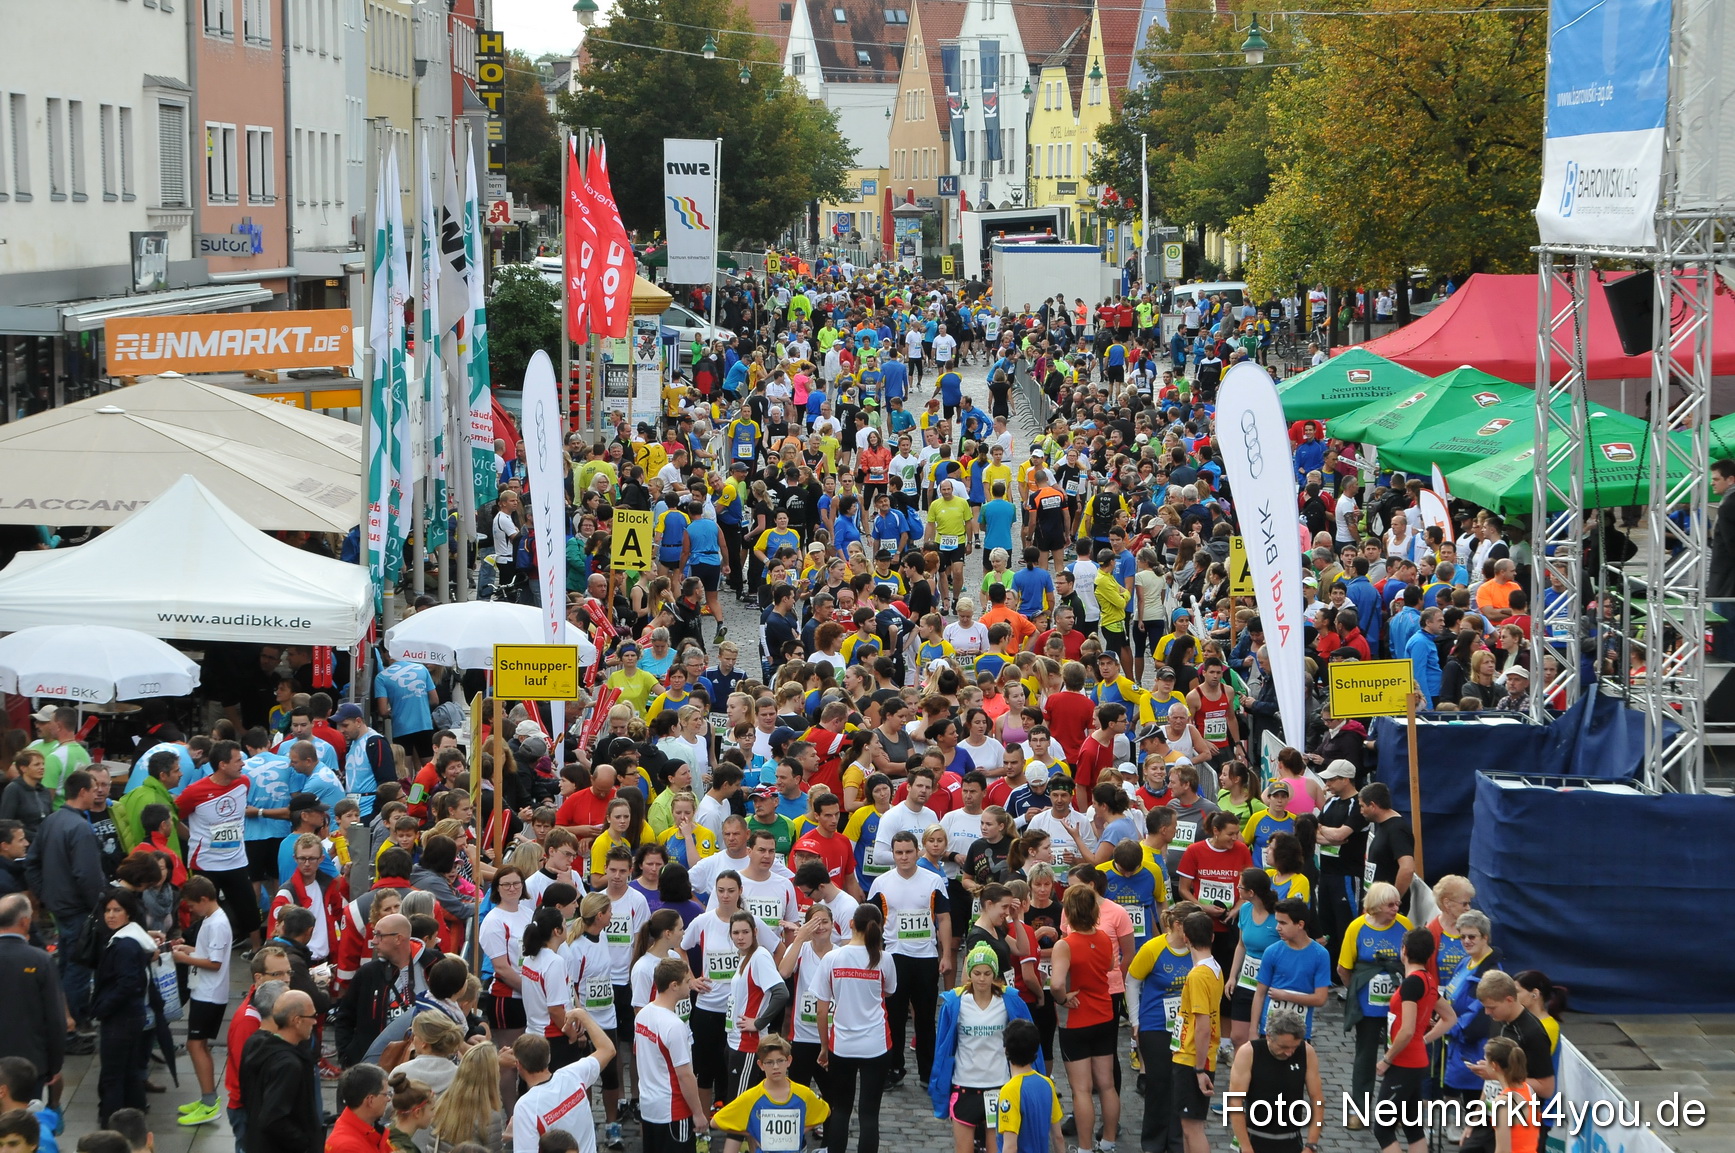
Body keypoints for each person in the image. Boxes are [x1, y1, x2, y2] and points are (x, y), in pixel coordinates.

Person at [23, 770, 104, 1049]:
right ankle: (71, 1025)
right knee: (78, 969)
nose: (98, 792)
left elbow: (31, 862)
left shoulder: (53, 821)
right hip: (79, 909)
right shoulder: (79, 828)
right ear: (82, 791)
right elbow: (87, 875)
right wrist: (99, 907)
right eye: (94, 787)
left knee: (67, 964)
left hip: (62, 908)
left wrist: (46, 895)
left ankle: (63, 1019)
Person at [929, 943, 1036, 1153]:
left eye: (987, 973)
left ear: (994, 974)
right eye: (976, 973)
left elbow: (1027, 1042)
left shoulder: (1008, 1001)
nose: (981, 979)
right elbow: (942, 1049)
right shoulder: (955, 1003)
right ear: (969, 974)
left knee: (996, 1148)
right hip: (964, 1085)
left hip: (999, 1087)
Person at [867, 830, 951, 1088]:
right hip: (894, 957)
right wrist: (873, 956)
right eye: (899, 852)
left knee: (926, 1018)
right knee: (893, 1016)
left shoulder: (933, 880)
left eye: (908, 852)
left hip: (925, 957)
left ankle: (928, 1074)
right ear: (892, 854)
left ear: (918, 852)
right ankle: (894, 1067)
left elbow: (944, 918)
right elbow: (872, 922)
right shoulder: (881, 883)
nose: (904, 857)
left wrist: (946, 954)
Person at [814, 905, 897, 1153]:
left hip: (842, 1045)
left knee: (840, 1109)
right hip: (877, 1044)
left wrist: (824, 1047)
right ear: (880, 926)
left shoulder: (832, 958)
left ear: (851, 924)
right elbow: (890, 991)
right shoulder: (885, 958)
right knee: (869, 1114)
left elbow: (821, 1009)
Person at [1336, 882, 1412, 1128]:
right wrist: (1358, 991)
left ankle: (1395, 1109)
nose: (1396, 908)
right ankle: (1359, 1110)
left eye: (1397, 904)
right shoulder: (1357, 927)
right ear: (1376, 906)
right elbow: (1343, 968)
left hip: (1398, 1007)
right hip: (1368, 1007)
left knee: (1398, 1057)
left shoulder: (1405, 926)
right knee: (1365, 1057)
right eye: (1391, 904)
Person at [1374, 930, 1455, 1153]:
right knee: (1412, 1126)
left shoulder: (1412, 983)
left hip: (1404, 1062)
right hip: (1416, 1060)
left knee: (1383, 1128)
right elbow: (1449, 1017)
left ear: (1404, 950)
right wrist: (1425, 1039)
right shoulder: (1428, 980)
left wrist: (1387, 1060)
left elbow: (1408, 1030)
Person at [89, 890, 155, 1127]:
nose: (111, 915)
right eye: (107, 910)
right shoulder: (127, 938)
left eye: (117, 910)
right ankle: (133, 1117)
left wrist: (103, 1007)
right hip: (130, 1017)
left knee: (113, 1075)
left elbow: (129, 983)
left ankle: (110, 1123)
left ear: (129, 913)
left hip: (121, 1019)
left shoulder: (124, 945)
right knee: (129, 1071)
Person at [169, 874, 232, 1126]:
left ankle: (209, 1103)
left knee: (196, 1045)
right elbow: (208, 954)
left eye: (192, 905)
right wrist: (189, 950)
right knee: (198, 1044)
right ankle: (207, 1098)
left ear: (204, 899)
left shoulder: (216, 923)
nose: (191, 910)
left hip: (209, 993)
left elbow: (215, 963)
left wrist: (184, 959)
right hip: (204, 991)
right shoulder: (211, 919)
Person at [1222, 1006, 1324, 1153]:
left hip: (1291, 1140)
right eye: (1283, 1047)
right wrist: (1246, 1147)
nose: (1289, 1053)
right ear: (1269, 1036)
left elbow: (1317, 1099)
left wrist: (1311, 1145)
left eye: (1294, 1047)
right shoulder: (1249, 1053)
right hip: (1255, 1138)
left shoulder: (1306, 1052)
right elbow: (1235, 1101)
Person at [634, 956, 710, 1153]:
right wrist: (699, 1113)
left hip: (649, 1107)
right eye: (687, 981)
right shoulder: (674, 1025)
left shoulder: (643, 1015)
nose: (690, 985)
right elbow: (685, 1075)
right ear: (674, 985)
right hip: (673, 1110)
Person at [512, 1010, 615, 1153]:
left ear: (518, 1065)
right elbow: (607, 1049)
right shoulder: (573, 1075)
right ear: (548, 1058)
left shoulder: (526, 1107)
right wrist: (582, 1015)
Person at [711, 1033, 829, 1153]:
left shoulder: (803, 1093)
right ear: (761, 1065)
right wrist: (751, 1133)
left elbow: (825, 1111)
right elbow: (716, 1121)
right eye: (769, 1062)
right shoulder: (752, 1097)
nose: (776, 1067)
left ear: (789, 1061)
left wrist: (799, 1131)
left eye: (780, 1061)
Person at [238, 989, 322, 1153]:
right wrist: (304, 1143)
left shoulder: (256, 1045)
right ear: (296, 1020)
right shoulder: (289, 1065)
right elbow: (273, 1118)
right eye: (312, 1016)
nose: (315, 1022)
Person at [0, 896, 65, 1106]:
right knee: (24, 1127)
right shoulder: (40, 960)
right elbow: (55, 1017)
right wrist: (54, 1065)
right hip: (30, 1064)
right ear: (25, 922)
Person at [1168, 910, 1223, 1153]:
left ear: (1186, 938)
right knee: (1189, 1127)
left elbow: (1202, 1027)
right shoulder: (1215, 968)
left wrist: (1199, 1069)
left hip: (1192, 1057)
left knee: (1192, 1129)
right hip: (1197, 1055)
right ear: (1212, 937)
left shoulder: (1198, 975)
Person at [1248, 898, 1332, 1041]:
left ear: (1300, 924)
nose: (1277, 927)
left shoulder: (1320, 955)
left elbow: (1320, 998)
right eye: (1277, 922)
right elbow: (1260, 994)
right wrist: (1252, 1030)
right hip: (1269, 1031)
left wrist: (1285, 996)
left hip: (1300, 1033)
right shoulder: (1271, 952)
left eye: (1283, 923)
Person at [994, 1018, 1064, 1153]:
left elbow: (1010, 1146)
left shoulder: (1010, 1091)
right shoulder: (1047, 1084)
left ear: (1006, 1050)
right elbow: (1058, 1137)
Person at [328, 1063, 393, 1153]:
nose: (388, 1099)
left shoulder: (368, 1129)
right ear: (370, 1100)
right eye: (386, 1094)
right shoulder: (348, 1147)